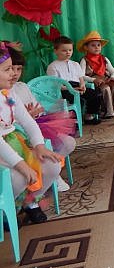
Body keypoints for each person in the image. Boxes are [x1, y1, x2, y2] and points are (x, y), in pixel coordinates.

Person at [0, 43, 62, 223]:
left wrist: (39, 146)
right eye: (7, 69)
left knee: (51, 165)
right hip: (3, 151)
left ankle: (29, 202)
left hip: (15, 143)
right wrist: (21, 164)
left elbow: (27, 121)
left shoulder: (8, 93)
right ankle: (6, 211)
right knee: (18, 178)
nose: (14, 73)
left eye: (14, 68)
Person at [8, 44, 76, 192]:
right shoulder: (6, 93)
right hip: (17, 135)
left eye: (18, 69)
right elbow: (9, 121)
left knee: (68, 143)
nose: (14, 73)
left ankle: (51, 175)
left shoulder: (22, 87)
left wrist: (34, 113)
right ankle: (46, 178)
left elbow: (37, 108)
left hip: (38, 125)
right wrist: (26, 117)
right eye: (9, 69)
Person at [47, 36, 102, 125]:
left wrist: (82, 86)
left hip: (77, 86)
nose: (68, 53)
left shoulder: (75, 64)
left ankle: (89, 115)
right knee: (77, 99)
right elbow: (56, 86)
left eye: (70, 50)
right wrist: (72, 89)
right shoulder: (53, 66)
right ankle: (74, 120)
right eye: (64, 50)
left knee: (96, 93)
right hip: (64, 89)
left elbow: (81, 78)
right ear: (56, 51)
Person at [78, 31, 114, 118]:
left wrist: (112, 77)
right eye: (93, 45)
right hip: (94, 82)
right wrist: (93, 80)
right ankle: (107, 111)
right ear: (86, 47)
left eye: (98, 45)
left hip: (106, 79)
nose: (96, 47)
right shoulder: (84, 60)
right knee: (105, 88)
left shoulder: (104, 59)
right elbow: (81, 76)